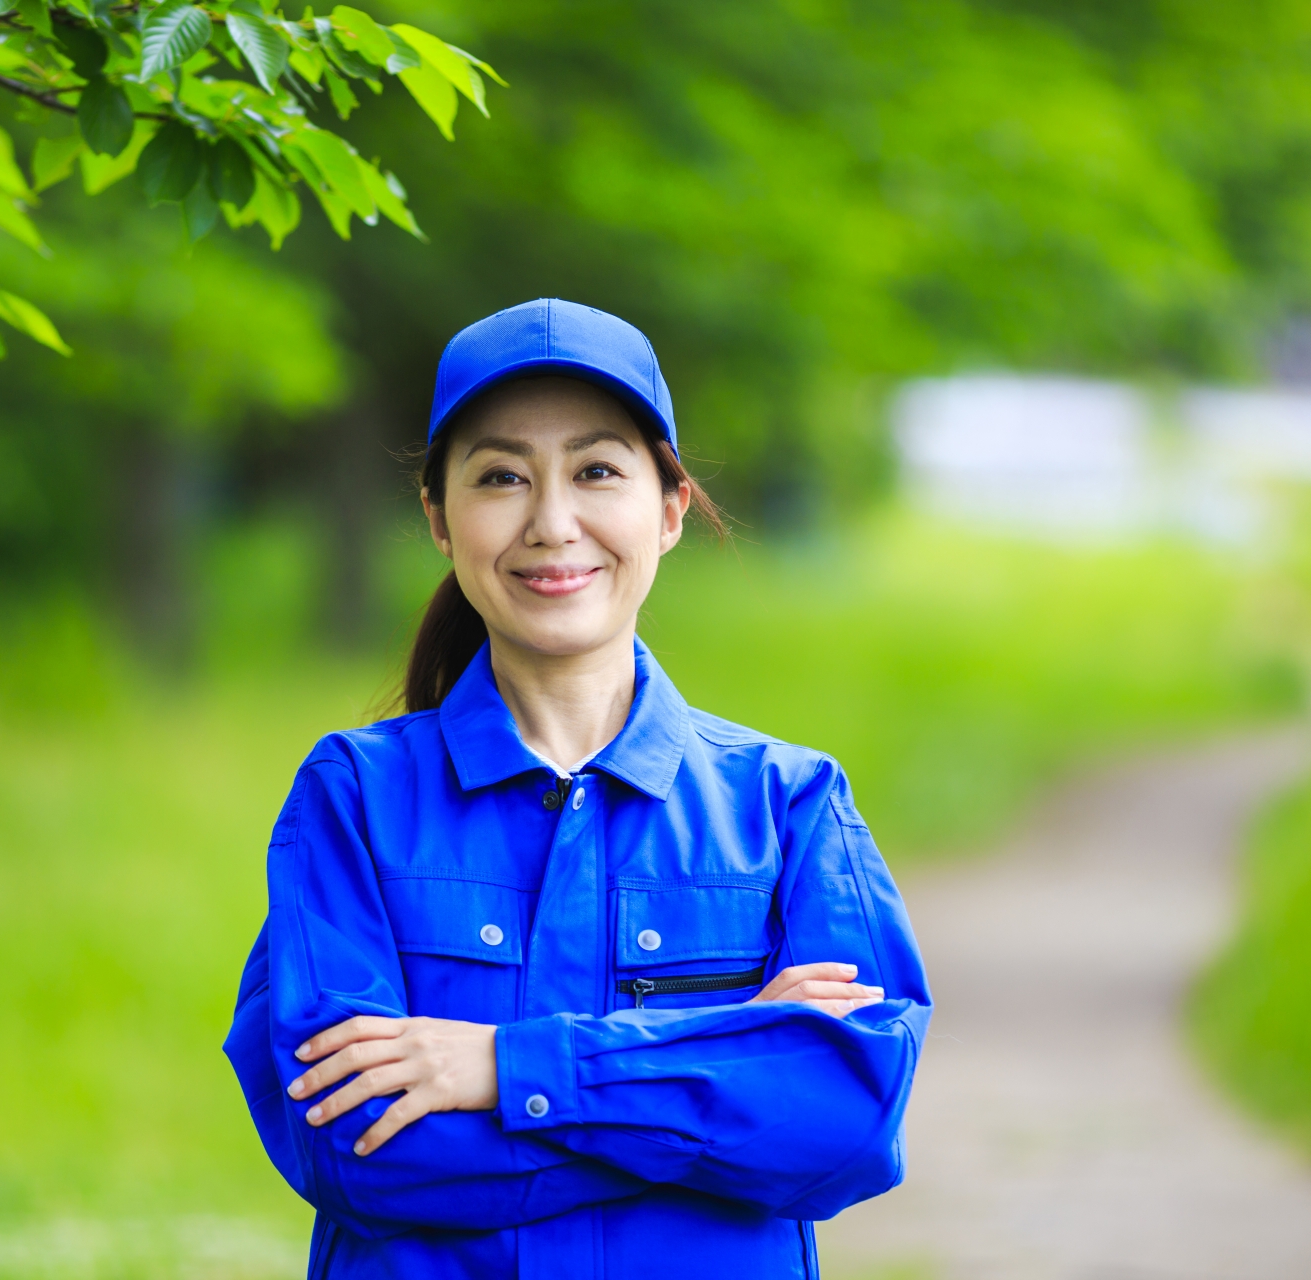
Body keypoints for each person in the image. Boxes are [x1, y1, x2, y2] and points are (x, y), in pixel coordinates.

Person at [224, 299, 931, 1278]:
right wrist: (720, 1069)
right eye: (502, 476)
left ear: (670, 507)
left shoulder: (789, 803)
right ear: (439, 517)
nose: (552, 522)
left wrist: (500, 1070)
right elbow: (352, 1148)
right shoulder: (353, 797)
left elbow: (844, 1120)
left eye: (597, 470)